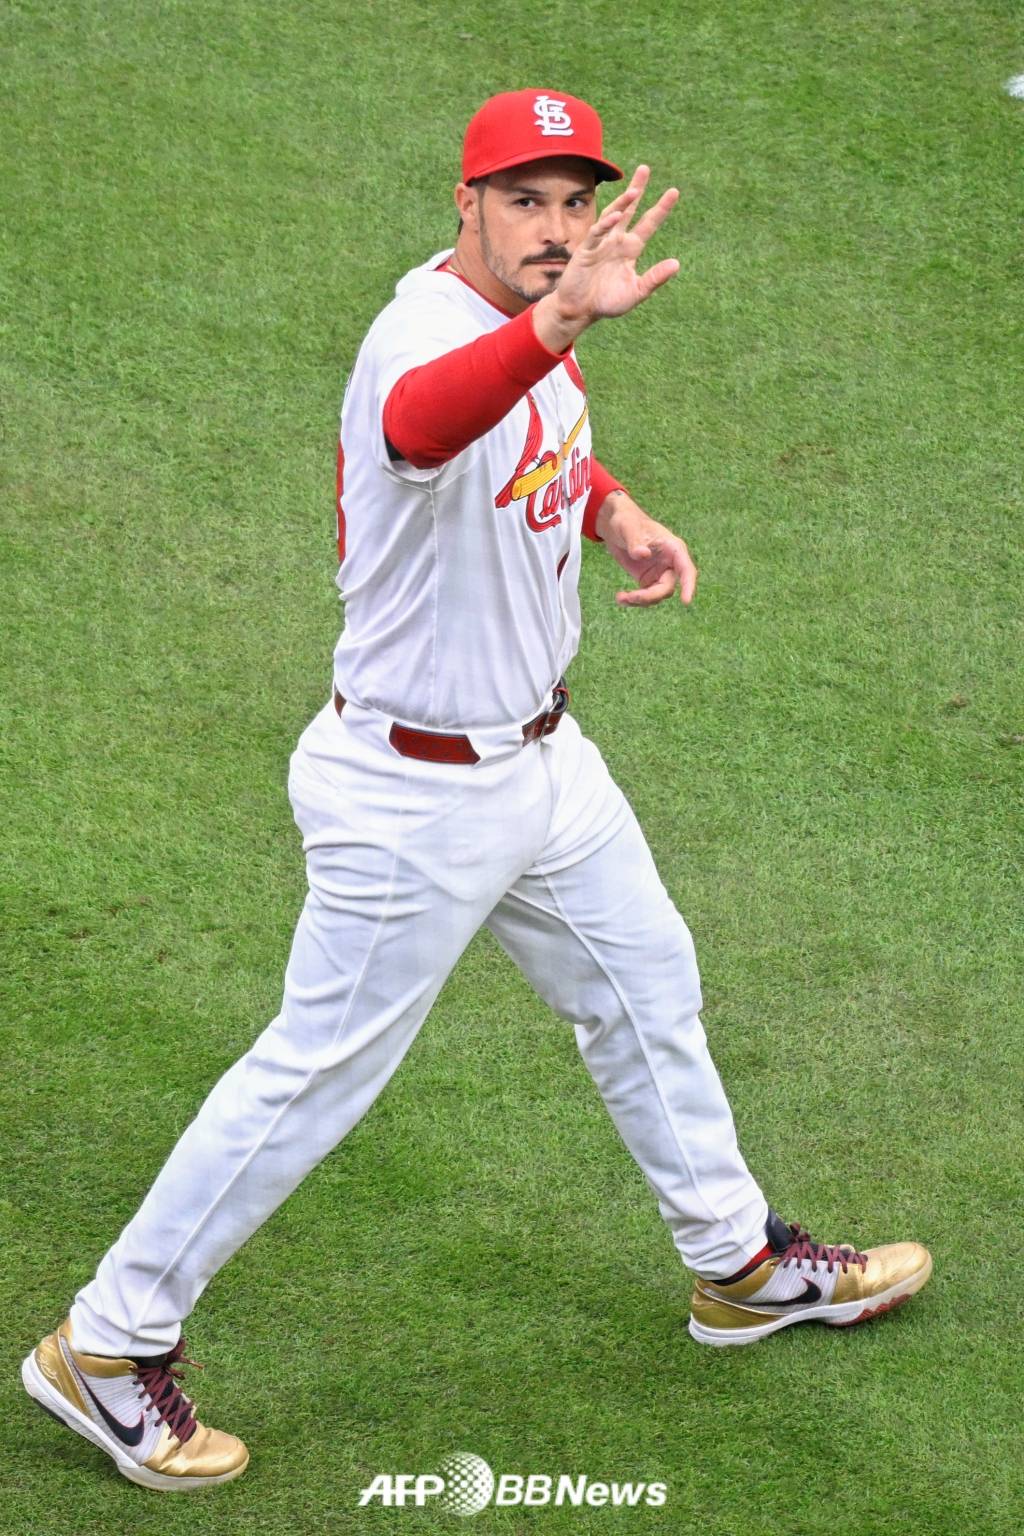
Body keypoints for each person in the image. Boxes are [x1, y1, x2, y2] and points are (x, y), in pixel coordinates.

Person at [22, 89, 932, 1493]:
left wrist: (614, 506)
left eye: (576, 201)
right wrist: (559, 324)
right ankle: (109, 1339)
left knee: (648, 986)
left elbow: (540, 430)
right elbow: (434, 421)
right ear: (465, 202)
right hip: (413, 796)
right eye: (525, 200)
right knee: (315, 1076)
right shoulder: (424, 336)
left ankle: (738, 1265)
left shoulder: (532, 328)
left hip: (545, 768)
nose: (556, 228)